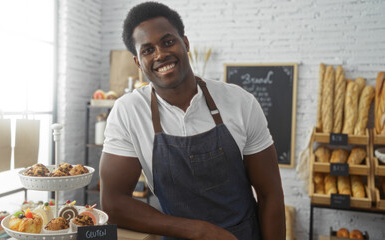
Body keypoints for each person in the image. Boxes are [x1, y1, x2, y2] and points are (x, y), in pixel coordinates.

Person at [99, 2, 285, 240]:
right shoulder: (128, 112)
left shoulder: (239, 102)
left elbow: (271, 195)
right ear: (138, 62)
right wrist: (200, 232)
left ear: (185, 43)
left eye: (168, 42)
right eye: (147, 50)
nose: (160, 54)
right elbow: (113, 204)